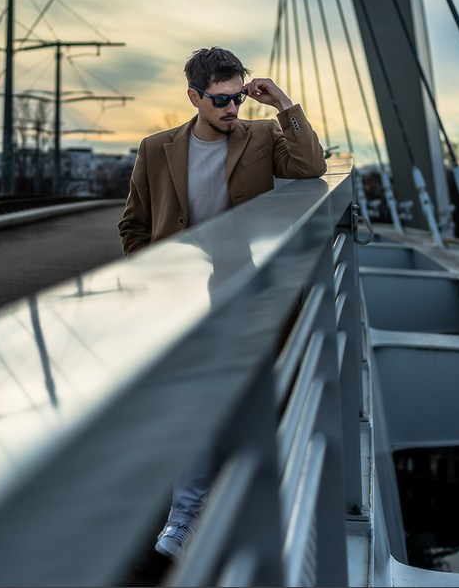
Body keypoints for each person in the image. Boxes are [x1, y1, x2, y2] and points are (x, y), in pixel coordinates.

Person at [117, 46, 327, 559]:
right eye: (220, 101)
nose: (233, 110)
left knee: (223, 403)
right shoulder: (155, 147)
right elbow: (134, 224)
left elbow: (311, 164)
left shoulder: (261, 135)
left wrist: (282, 104)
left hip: (244, 293)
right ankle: (190, 515)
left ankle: (191, 517)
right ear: (193, 96)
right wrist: (157, 273)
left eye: (237, 99)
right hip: (179, 298)